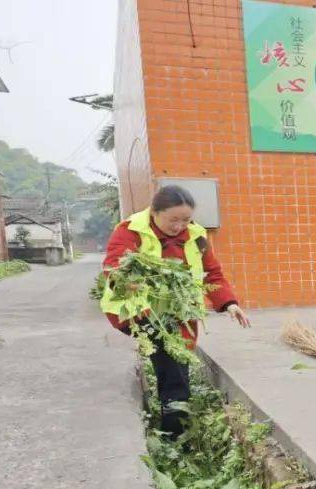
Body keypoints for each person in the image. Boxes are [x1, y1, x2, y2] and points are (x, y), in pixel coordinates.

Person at [100, 185, 251, 437]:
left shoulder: (196, 235)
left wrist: (229, 303)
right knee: (173, 365)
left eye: (186, 220)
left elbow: (213, 273)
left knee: (176, 363)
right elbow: (114, 266)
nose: (179, 226)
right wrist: (132, 280)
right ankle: (175, 432)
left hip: (181, 310)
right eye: (173, 219)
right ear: (155, 212)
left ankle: (176, 424)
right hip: (143, 311)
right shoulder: (130, 231)